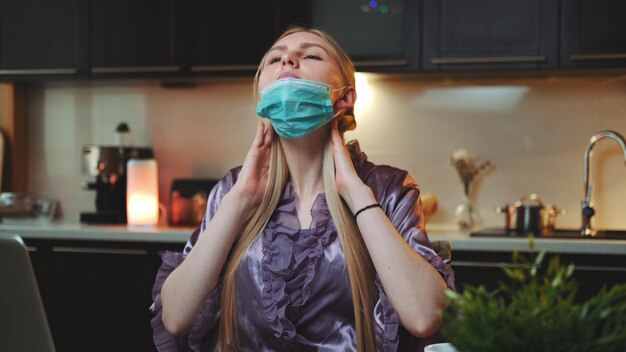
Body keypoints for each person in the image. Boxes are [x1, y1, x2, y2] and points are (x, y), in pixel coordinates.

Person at [150, 26, 456, 352]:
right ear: (261, 98)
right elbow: (176, 318)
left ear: (345, 97)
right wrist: (239, 200)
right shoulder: (232, 190)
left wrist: (355, 193)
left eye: (310, 55)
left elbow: (425, 317)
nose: (288, 60)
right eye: (275, 58)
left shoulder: (390, 189)